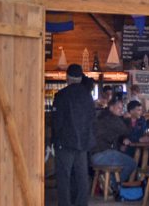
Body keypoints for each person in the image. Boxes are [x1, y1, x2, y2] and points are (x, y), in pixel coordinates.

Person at [52, 64, 96, 206]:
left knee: (64, 177)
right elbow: (92, 118)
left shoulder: (61, 95)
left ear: (67, 77)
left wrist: (55, 139)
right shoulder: (87, 95)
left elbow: (57, 121)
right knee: (82, 177)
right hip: (83, 142)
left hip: (65, 142)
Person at [90, 98, 136, 183]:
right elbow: (127, 131)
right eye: (119, 108)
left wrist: (121, 141)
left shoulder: (102, 115)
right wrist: (128, 119)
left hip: (93, 155)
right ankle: (112, 183)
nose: (121, 110)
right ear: (111, 107)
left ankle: (108, 182)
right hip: (102, 155)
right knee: (132, 163)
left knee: (122, 157)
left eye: (122, 108)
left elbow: (110, 134)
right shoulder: (112, 118)